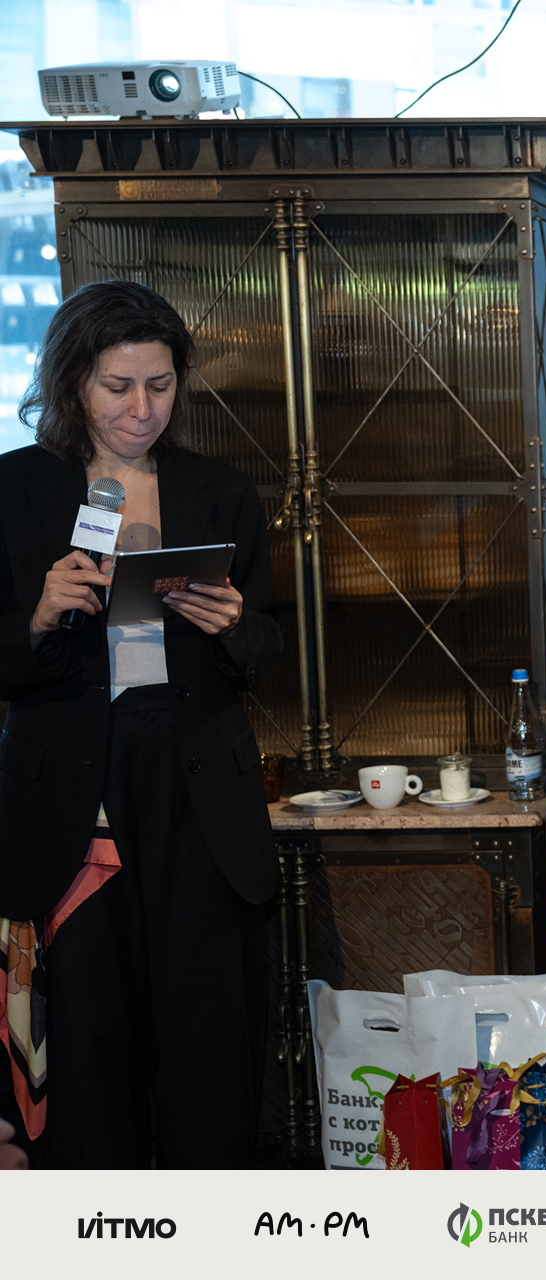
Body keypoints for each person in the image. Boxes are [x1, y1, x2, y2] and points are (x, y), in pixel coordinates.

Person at [0, 279, 283, 1168]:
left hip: (196, 789)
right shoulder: (16, 490)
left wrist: (234, 625)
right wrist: (37, 619)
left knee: (208, 1029)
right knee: (88, 1030)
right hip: (72, 791)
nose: (141, 409)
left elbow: (272, 652)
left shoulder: (221, 493)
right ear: (73, 383)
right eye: (118, 386)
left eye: (159, 386)